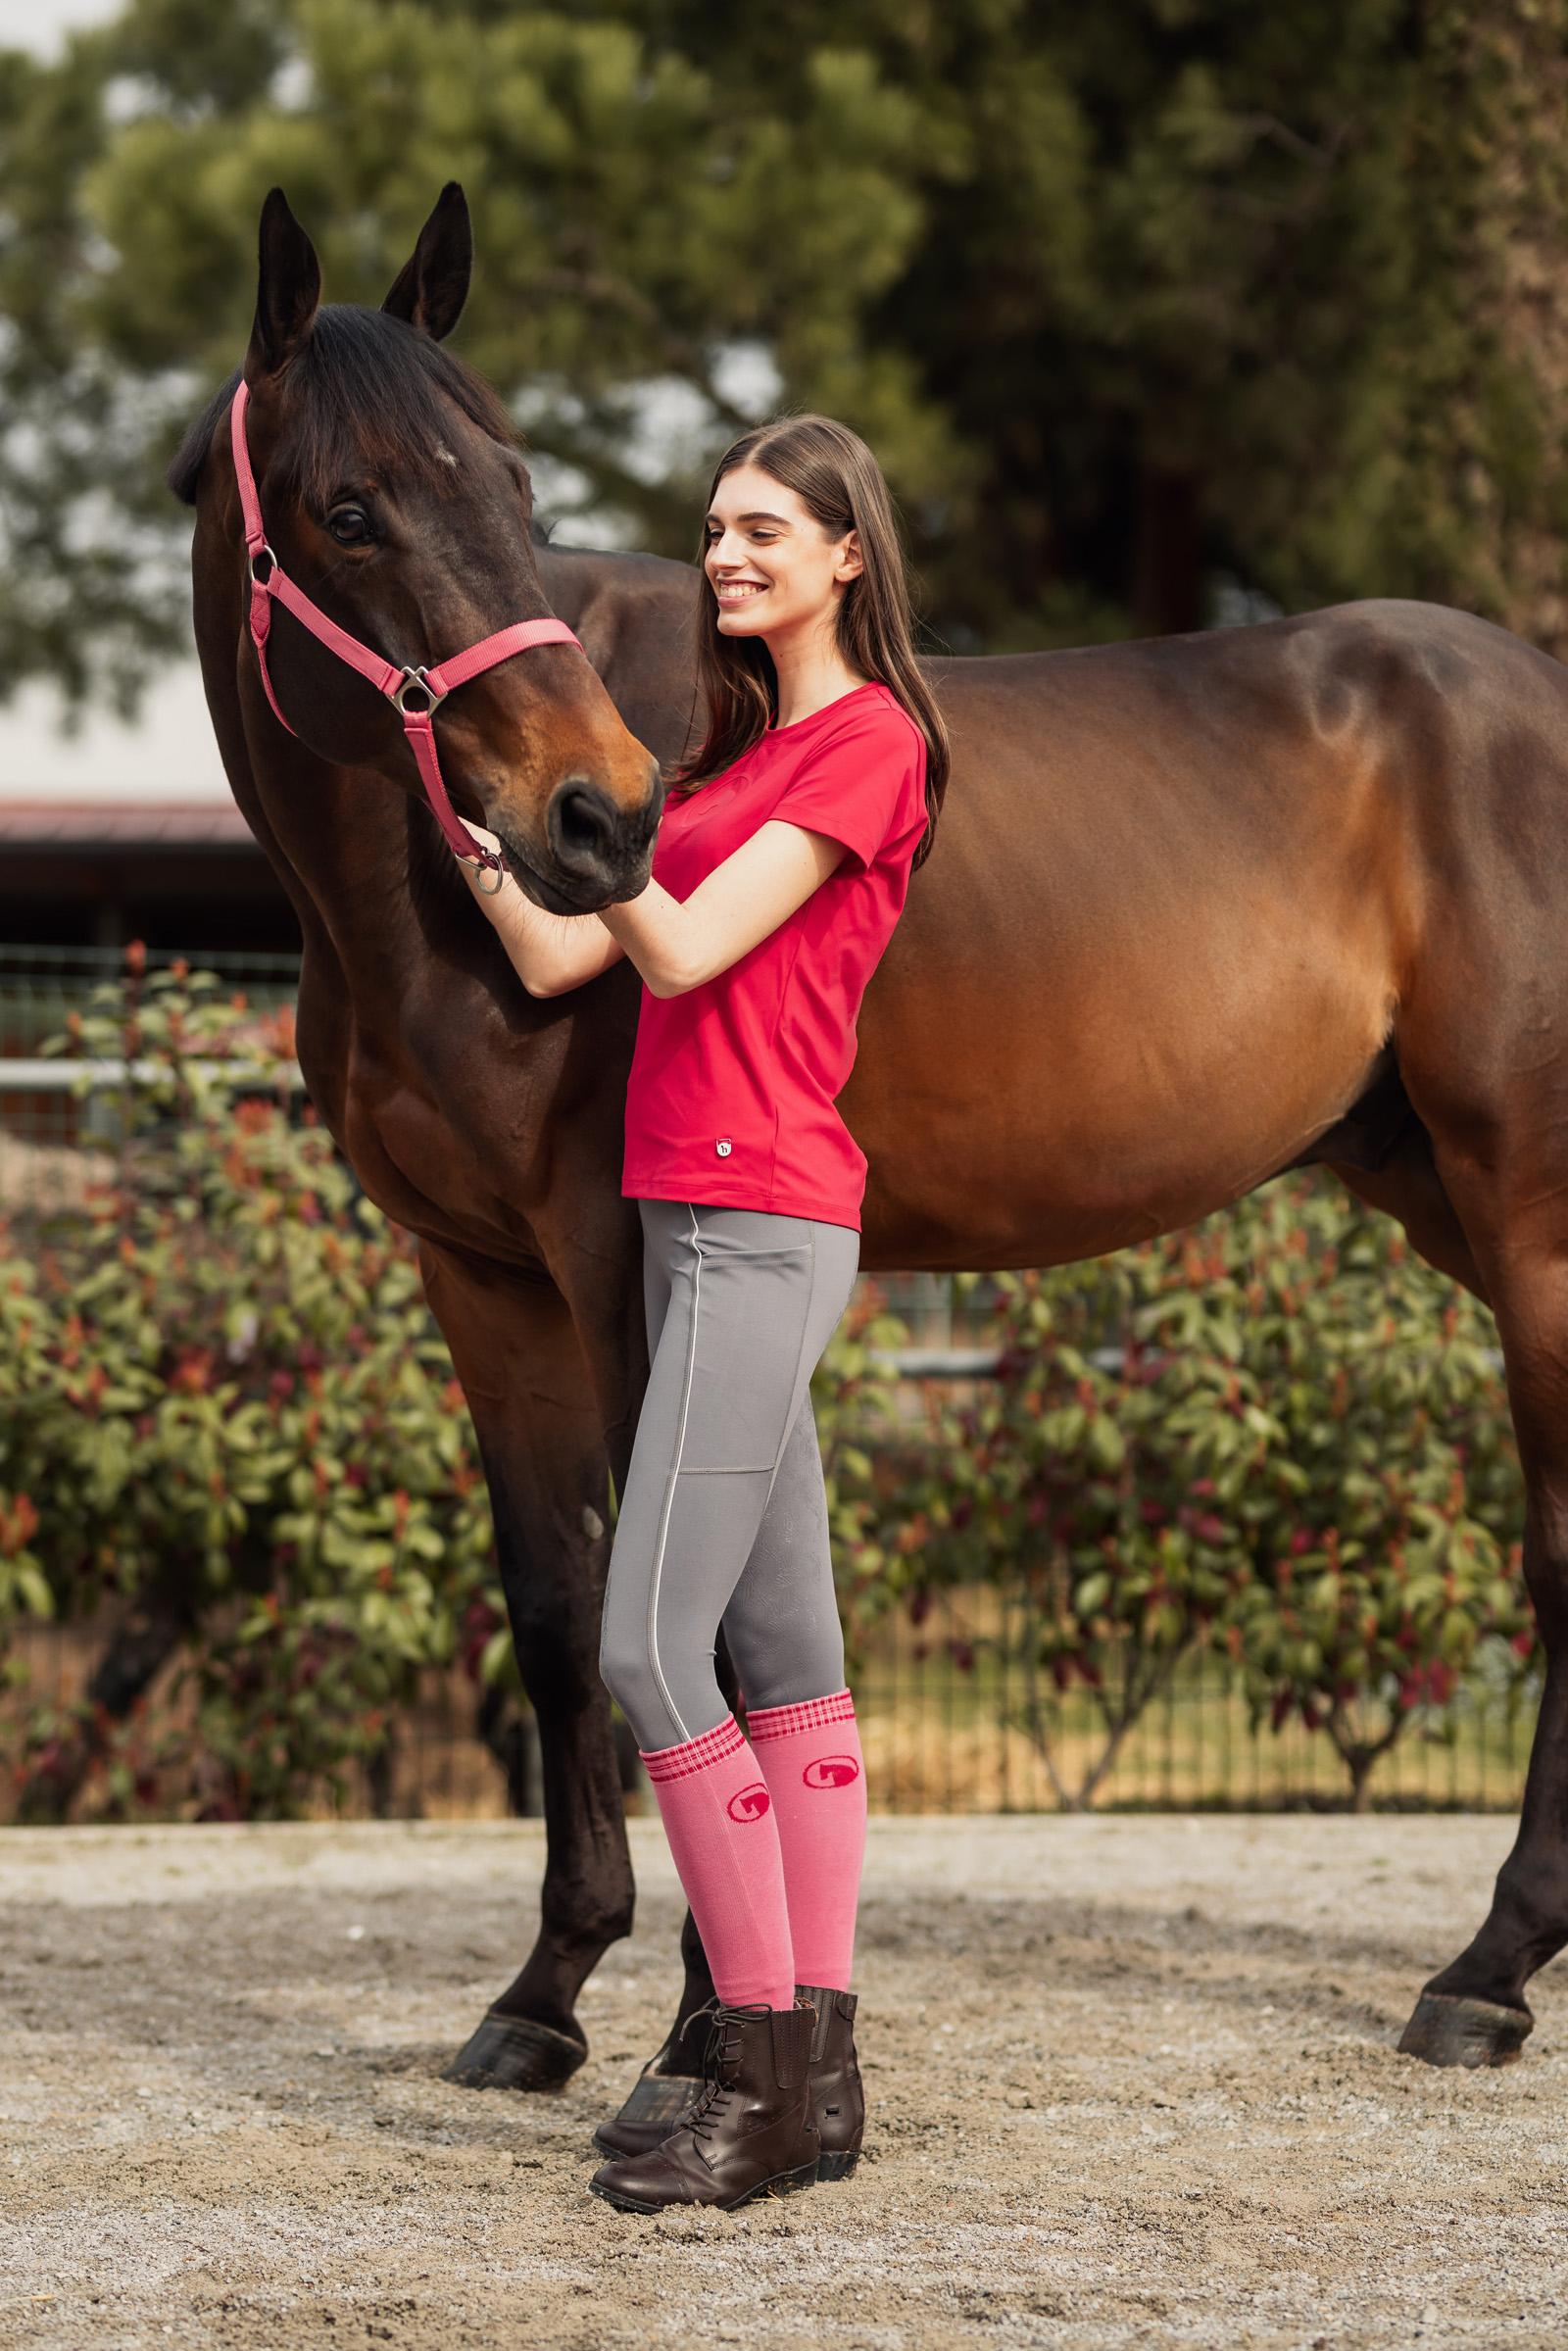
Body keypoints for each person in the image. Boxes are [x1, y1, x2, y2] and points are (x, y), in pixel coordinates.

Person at [458, 414, 947, 2213]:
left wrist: (599, 846)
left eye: (763, 530)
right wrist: (475, 812)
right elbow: (564, 954)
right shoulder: (730, 761)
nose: (724, 554)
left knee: (653, 1653)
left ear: (847, 555)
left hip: (762, 1222)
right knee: (790, 1662)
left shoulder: (872, 746)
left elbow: (674, 945)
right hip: (692, 1224)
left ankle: (757, 2067)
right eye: (716, 526)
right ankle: (821, 2069)